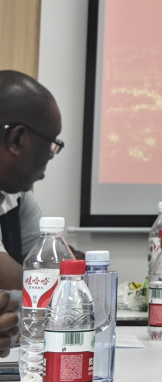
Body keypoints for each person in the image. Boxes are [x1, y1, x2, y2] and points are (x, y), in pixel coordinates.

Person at [0, 71, 80, 288]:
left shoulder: (16, 195)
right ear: (17, 139)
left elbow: (45, 259)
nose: (52, 154)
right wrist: (70, 284)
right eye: (51, 142)